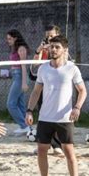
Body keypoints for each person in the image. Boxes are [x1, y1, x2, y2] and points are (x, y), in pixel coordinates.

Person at [25, 35, 87, 176]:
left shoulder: (71, 68)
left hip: (64, 118)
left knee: (69, 152)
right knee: (41, 150)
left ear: (64, 50)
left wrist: (77, 107)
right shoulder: (43, 68)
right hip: (45, 117)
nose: (53, 49)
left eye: (57, 47)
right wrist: (29, 110)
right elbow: (36, 91)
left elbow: (82, 91)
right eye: (51, 46)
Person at [30, 25, 62, 153]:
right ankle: (44, 144)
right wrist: (39, 51)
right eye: (47, 36)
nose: (49, 38)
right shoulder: (44, 48)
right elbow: (33, 68)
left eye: (51, 36)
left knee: (57, 115)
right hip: (43, 85)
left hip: (57, 87)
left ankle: (57, 145)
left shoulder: (61, 48)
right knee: (43, 114)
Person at [6, 29, 29, 135]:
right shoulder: (15, 49)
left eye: (10, 38)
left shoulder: (21, 48)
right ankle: (27, 127)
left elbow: (23, 66)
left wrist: (24, 82)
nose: (8, 41)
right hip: (16, 76)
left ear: (15, 38)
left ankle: (24, 126)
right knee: (20, 104)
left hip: (20, 76)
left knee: (11, 104)